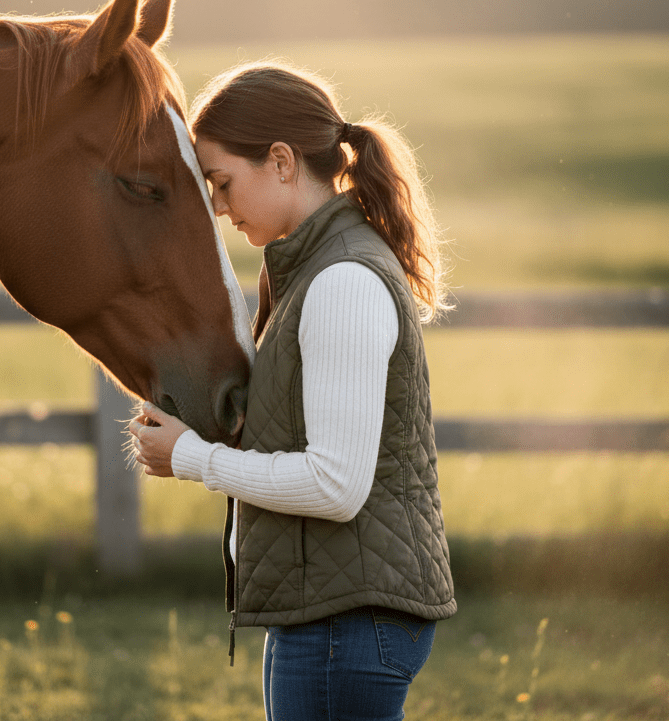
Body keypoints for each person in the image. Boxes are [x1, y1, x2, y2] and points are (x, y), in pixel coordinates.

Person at [128, 62, 455, 721]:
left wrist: (191, 458)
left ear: (280, 161)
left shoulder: (341, 282)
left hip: (346, 623)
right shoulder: (312, 270)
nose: (217, 207)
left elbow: (336, 485)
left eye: (221, 183)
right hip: (329, 613)